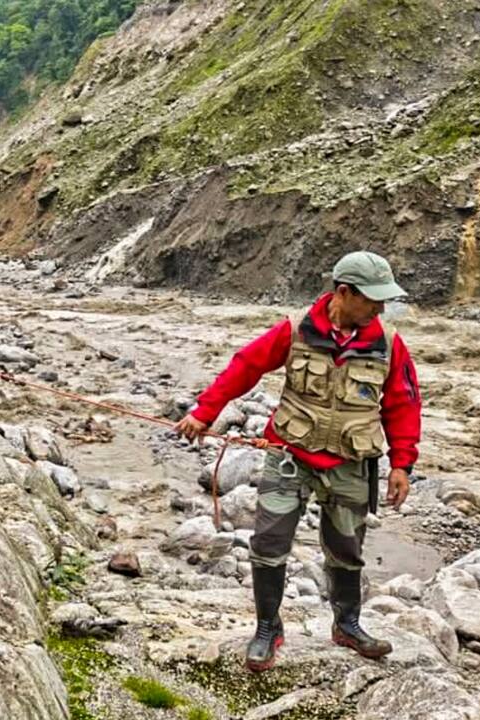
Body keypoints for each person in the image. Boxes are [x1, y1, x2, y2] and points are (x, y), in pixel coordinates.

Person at [174, 251, 422, 672]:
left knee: (347, 552)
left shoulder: (388, 343)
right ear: (343, 293)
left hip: (350, 462)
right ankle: (268, 629)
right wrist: (205, 411)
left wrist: (402, 464)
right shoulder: (296, 331)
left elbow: (403, 405)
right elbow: (246, 366)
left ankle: (347, 625)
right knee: (268, 545)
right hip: (289, 456)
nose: (380, 308)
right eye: (372, 299)